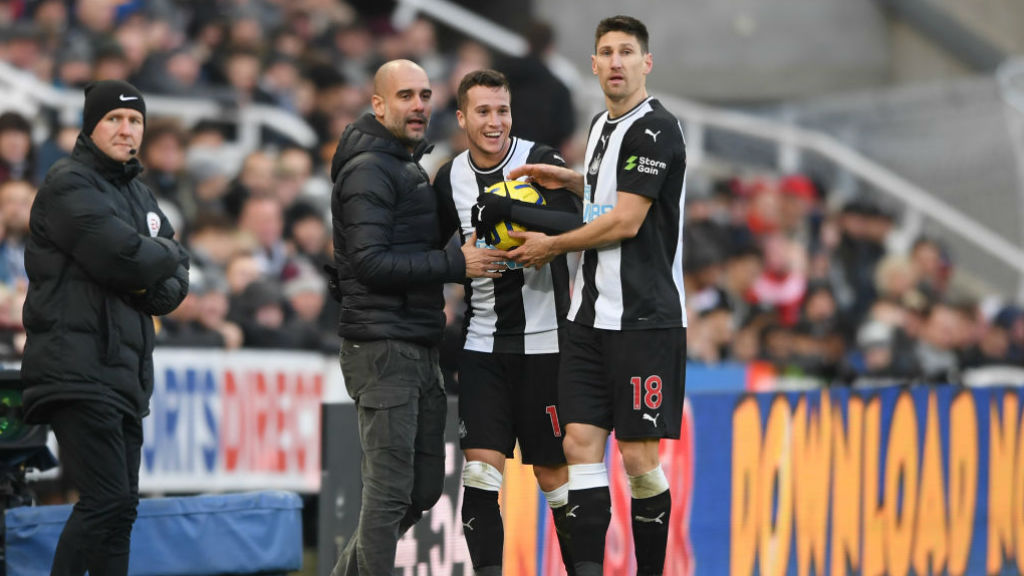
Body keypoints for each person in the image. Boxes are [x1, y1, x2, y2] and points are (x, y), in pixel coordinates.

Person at [507, 16, 688, 576]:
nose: (615, 61)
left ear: (645, 63)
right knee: (580, 444)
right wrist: (574, 183)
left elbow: (626, 221)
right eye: (606, 51)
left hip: (644, 320)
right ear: (593, 63)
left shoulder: (655, 129)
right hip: (587, 317)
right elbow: (613, 194)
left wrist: (552, 245)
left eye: (626, 52)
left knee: (637, 457)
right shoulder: (603, 126)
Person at [328, 59, 507, 576]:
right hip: (382, 346)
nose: (419, 106)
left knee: (423, 490)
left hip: (415, 342)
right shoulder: (368, 168)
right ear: (377, 104)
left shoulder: (399, 163)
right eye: (405, 95)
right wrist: (457, 263)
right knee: (387, 496)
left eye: (425, 95)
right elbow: (369, 263)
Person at [20, 79, 190, 576]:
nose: (125, 128)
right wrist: (164, 259)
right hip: (75, 370)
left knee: (122, 509)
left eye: (134, 120)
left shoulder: (140, 194)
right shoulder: (67, 183)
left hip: (124, 375)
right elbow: (131, 260)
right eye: (114, 119)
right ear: (90, 126)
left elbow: (175, 282)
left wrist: (156, 268)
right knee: (106, 500)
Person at [432, 69, 582, 575]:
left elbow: (578, 225)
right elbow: (430, 254)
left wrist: (511, 207)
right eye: (483, 111)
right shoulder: (448, 177)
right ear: (461, 118)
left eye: (502, 111)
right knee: (478, 477)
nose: (495, 122)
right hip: (483, 348)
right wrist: (458, 263)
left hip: (546, 346)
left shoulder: (540, 160)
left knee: (554, 478)